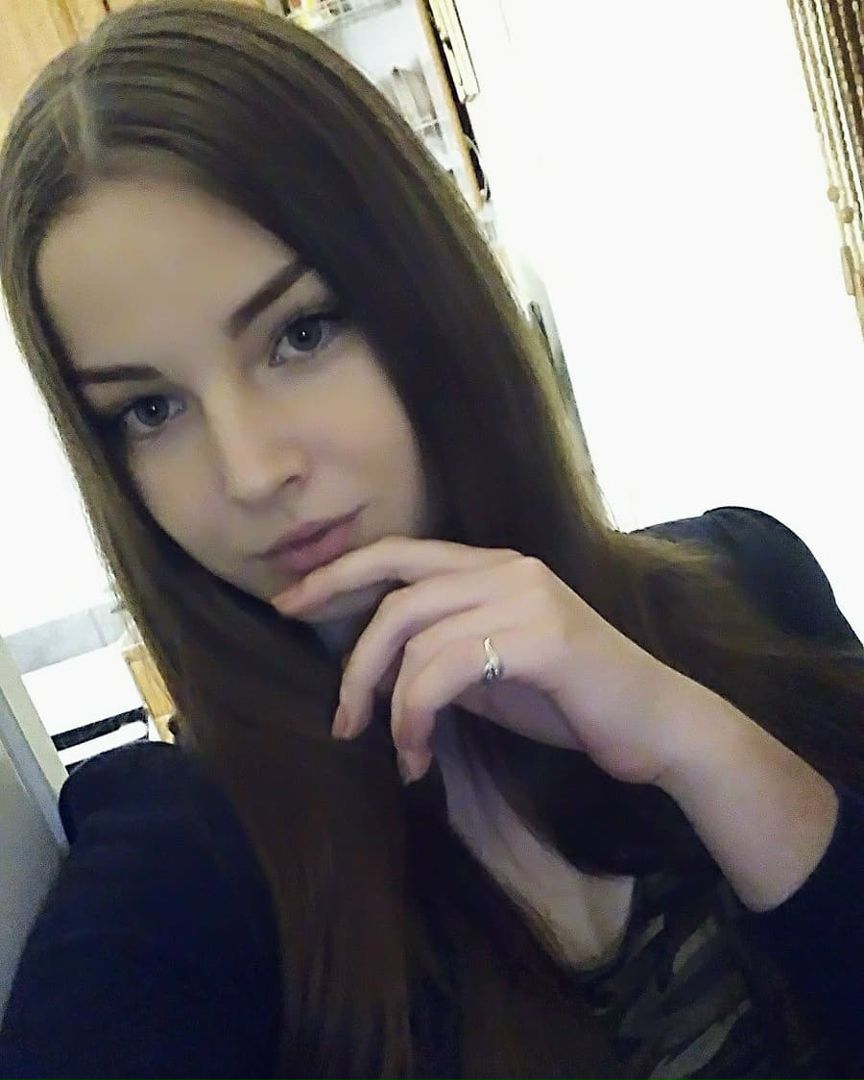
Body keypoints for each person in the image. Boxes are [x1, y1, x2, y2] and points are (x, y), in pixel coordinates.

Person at [0, 3, 862, 1078]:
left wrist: (702, 745)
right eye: (149, 410)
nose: (251, 471)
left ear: (424, 292)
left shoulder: (751, 586)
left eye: (301, 333)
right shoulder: (185, 865)